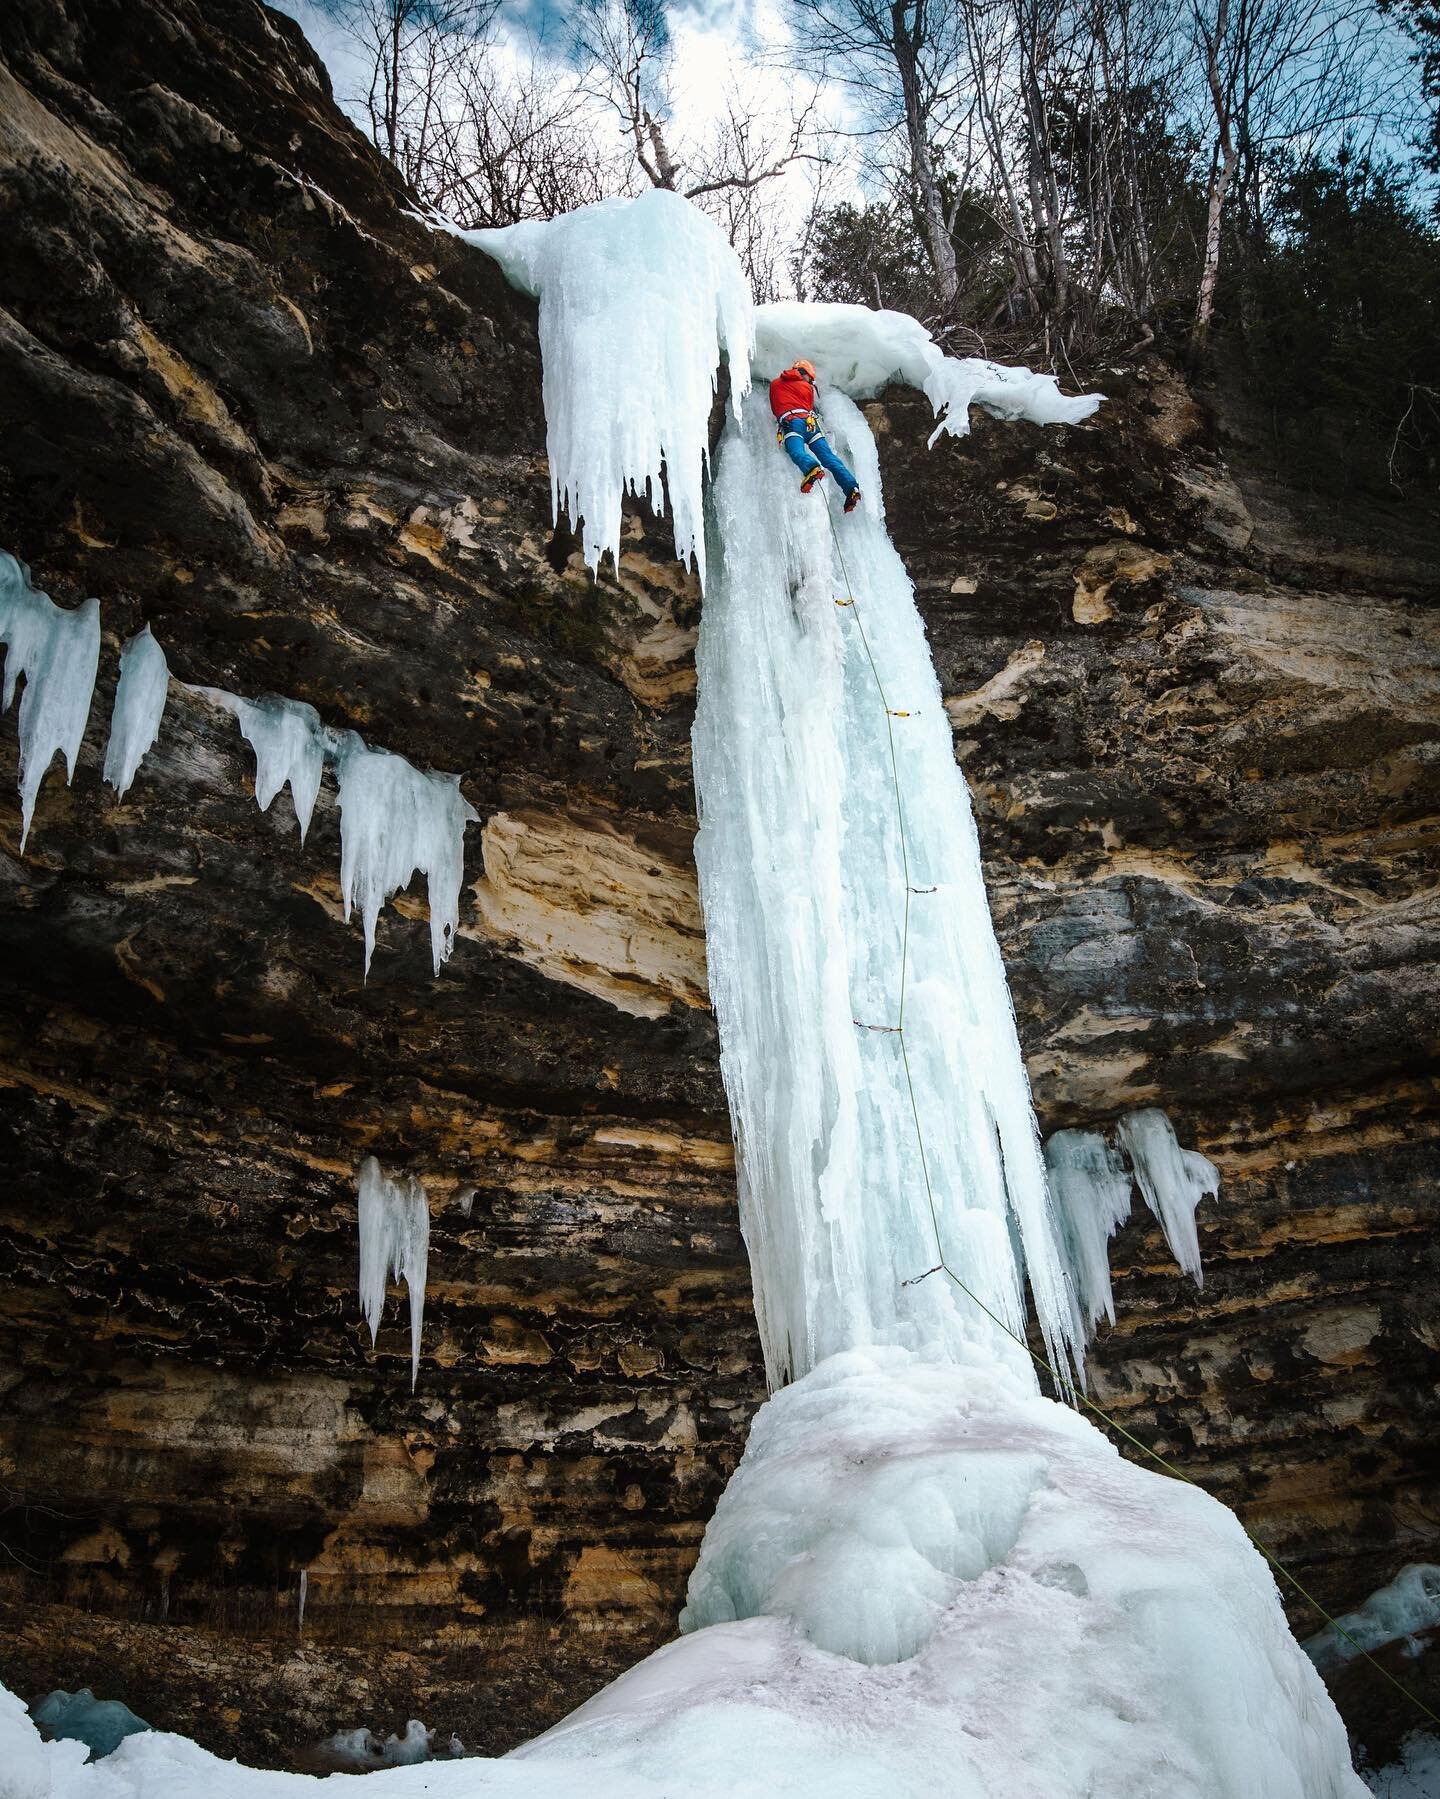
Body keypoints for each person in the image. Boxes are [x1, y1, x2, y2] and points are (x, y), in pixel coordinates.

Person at [768, 359, 862, 512]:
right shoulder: (807, 387)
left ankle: (811, 468)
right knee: (829, 458)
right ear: (803, 373)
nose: (810, 381)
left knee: (795, 450)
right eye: (809, 378)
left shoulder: (775, 384)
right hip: (811, 424)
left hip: (793, 422)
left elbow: (775, 408)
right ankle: (851, 488)